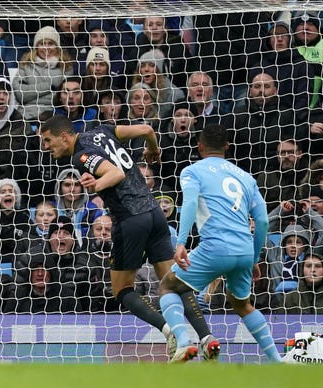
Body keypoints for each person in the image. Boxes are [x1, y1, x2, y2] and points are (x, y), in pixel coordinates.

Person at [40, 115, 214, 358]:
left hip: (130, 218)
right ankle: (206, 337)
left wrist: (96, 187)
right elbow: (145, 128)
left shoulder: (80, 155)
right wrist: (154, 150)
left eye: (48, 140)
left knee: (121, 289)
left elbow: (116, 174)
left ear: (64, 136)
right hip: (154, 213)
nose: (45, 146)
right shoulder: (102, 131)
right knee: (172, 283)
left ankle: (170, 333)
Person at [158, 124, 282, 363]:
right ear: (227, 146)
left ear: (199, 146)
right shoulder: (246, 177)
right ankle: (277, 360)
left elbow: (191, 203)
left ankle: (183, 342)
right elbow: (263, 221)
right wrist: (255, 258)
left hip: (216, 246)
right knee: (242, 304)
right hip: (244, 250)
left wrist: (181, 242)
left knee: (169, 286)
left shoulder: (192, 171)